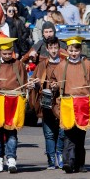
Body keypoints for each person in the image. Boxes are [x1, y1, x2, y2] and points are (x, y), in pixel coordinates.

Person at [52, 37, 90, 173]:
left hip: (83, 104)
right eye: (71, 51)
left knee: (80, 135)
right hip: (67, 104)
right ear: (67, 50)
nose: (73, 53)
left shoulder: (87, 65)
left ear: (80, 50)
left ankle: (79, 164)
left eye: (76, 51)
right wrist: (54, 86)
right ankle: (68, 162)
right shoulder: (61, 66)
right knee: (68, 134)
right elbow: (53, 81)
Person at [0, 36, 27, 173]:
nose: (7, 56)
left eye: (9, 53)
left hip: (14, 100)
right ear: (0, 52)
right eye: (4, 53)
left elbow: (24, 82)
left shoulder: (18, 64)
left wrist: (27, 88)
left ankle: (12, 159)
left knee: (12, 132)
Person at [30, 36, 66, 169]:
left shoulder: (65, 64)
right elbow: (34, 82)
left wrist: (58, 86)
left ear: (59, 48)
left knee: (63, 130)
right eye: (51, 48)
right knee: (49, 133)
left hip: (61, 103)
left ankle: (60, 153)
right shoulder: (42, 65)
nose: (54, 50)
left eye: (56, 48)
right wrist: (34, 84)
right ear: (47, 49)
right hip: (46, 103)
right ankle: (51, 160)